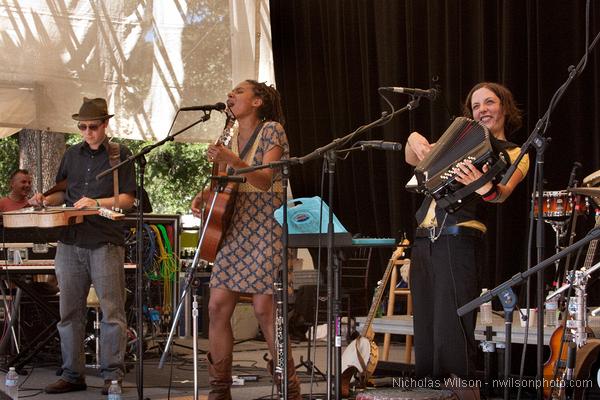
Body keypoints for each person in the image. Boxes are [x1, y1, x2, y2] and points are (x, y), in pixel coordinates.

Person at [404, 82, 530, 380]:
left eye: (490, 102)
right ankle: (428, 393)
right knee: (425, 329)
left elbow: (502, 194)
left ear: (504, 107)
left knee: (452, 331)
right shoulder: (457, 145)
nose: (483, 109)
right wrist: (414, 139)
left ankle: (455, 392)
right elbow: (413, 158)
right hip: (424, 241)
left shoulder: (515, 153)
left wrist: (486, 186)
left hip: (459, 241)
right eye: (476, 106)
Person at [191, 80, 301, 400]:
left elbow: (264, 180)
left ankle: (288, 387)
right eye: (231, 92)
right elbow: (225, 183)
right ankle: (219, 388)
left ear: (257, 101)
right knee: (216, 305)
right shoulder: (228, 136)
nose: (231, 95)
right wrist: (203, 196)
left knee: (264, 308)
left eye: (239, 91)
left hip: (266, 225)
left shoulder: (272, 130)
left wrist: (232, 159)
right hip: (234, 226)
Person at [31, 97, 136, 395]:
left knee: (112, 310)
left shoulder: (119, 154)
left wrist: (96, 202)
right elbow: (61, 193)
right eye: (82, 127)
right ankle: (72, 373)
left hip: (104, 240)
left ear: (105, 125)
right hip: (69, 240)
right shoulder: (71, 155)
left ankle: (113, 375)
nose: (87, 132)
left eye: (93, 126)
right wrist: (43, 200)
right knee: (69, 311)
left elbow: (127, 199)